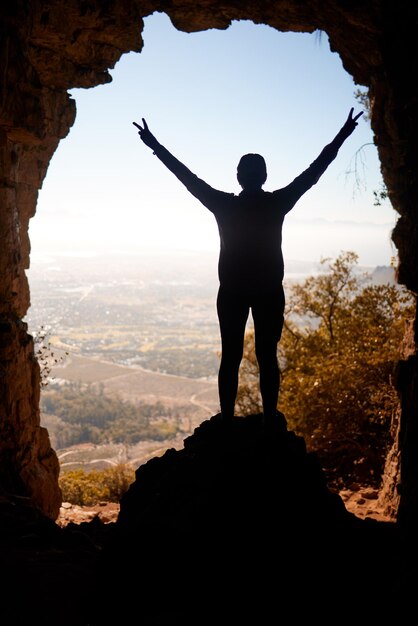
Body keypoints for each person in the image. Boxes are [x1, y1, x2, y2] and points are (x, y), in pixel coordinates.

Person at [133, 108, 363, 427]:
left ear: (238, 176)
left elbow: (186, 177)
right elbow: (315, 170)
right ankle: (269, 417)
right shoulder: (277, 202)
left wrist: (155, 145)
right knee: (267, 357)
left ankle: (227, 420)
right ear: (263, 176)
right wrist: (343, 134)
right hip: (269, 292)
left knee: (231, 357)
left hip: (232, 293)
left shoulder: (224, 204)